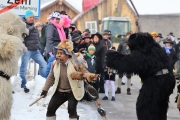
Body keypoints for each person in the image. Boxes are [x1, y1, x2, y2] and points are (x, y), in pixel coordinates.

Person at [41, 42, 82, 120]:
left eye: (61, 53)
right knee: (50, 110)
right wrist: (45, 90)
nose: (58, 55)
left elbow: (84, 72)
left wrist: (80, 74)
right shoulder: (55, 64)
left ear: (67, 55)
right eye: (57, 53)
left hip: (72, 91)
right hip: (59, 91)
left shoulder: (75, 63)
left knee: (71, 110)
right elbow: (51, 78)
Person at [20, 10, 47, 93]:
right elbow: (25, 33)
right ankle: (22, 85)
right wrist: (33, 27)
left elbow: (37, 38)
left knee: (44, 65)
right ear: (26, 17)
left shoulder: (34, 27)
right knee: (23, 68)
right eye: (30, 17)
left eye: (33, 17)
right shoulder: (23, 25)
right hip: (27, 50)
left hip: (36, 50)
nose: (32, 19)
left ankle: (43, 83)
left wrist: (38, 46)